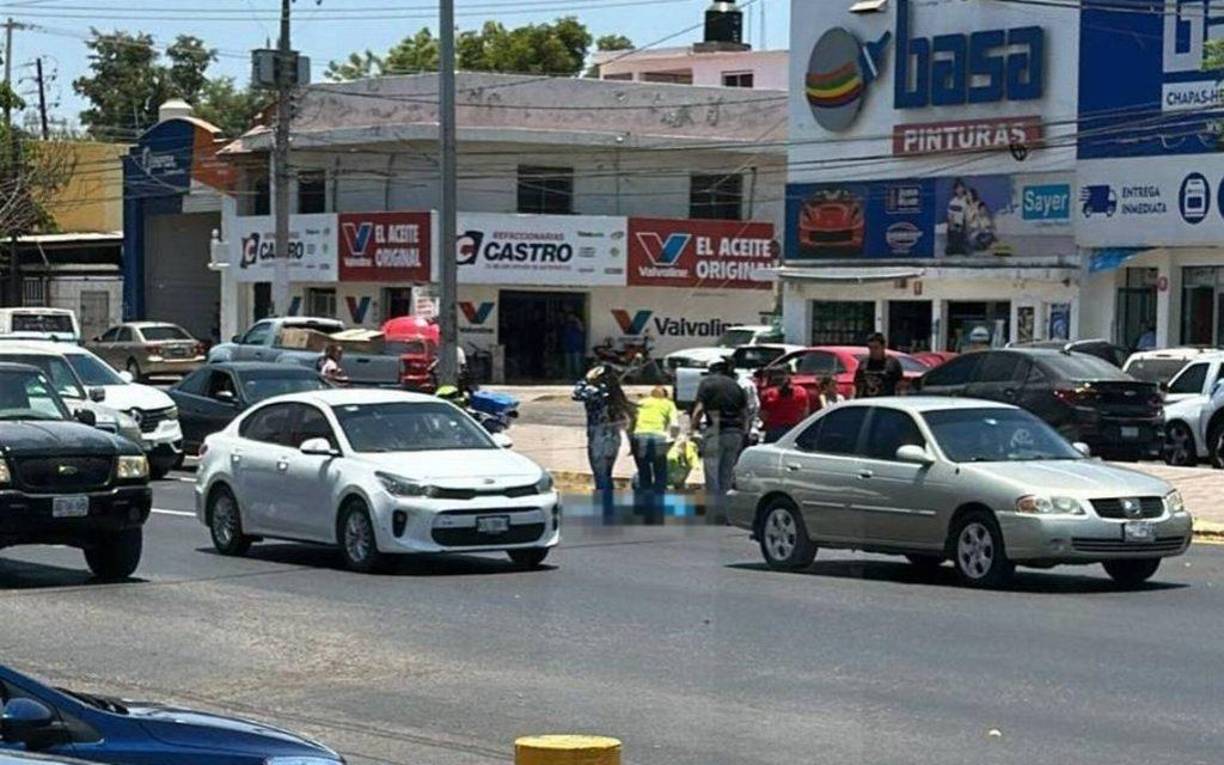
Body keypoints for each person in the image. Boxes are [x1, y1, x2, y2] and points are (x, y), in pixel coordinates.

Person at [573, 365, 635, 518]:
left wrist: (587, 378)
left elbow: (576, 393)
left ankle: (604, 506)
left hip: (598, 436)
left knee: (600, 474)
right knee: (607, 473)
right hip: (613, 436)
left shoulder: (596, 392)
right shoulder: (614, 393)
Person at [690, 358, 748, 523]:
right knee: (727, 475)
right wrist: (744, 433)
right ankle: (726, 513)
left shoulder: (707, 384)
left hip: (715, 431)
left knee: (712, 475)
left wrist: (691, 429)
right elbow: (744, 413)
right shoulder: (737, 386)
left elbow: (699, 409)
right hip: (735, 433)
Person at [631, 385, 677, 518]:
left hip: (639, 438)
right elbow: (674, 425)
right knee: (660, 473)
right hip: (658, 439)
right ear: (665, 395)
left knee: (643, 472)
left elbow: (632, 423)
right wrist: (672, 440)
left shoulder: (642, 403)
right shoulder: (668, 404)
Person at [759, 368, 809, 443]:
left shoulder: (768, 394)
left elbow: (763, 416)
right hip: (794, 431)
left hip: (774, 430)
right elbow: (805, 413)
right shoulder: (801, 392)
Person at [854, 332, 903, 398]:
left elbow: (899, 386)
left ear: (883, 347)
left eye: (876, 348)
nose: (873, 351)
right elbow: (857, 385)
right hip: (866, 401)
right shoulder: (864, 363)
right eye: (870, 348)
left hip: (885, 402)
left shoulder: (892, 363)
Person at [945, 179, 969, 255]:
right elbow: (950, 216)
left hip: (964, 225)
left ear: (963, 189)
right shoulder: (953, 202)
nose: (959, 190)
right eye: (957, 188)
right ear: (955, 190)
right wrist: (952, 226)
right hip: (955, 226)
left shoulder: (967, 200)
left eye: (961, 188)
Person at [562, 313, 586, 381]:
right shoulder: (566, 324)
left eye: (572, 316)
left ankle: (578, 377)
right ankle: (569, 376)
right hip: (568, 347)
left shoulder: (578, 324)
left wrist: (577, 321)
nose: (570, 318)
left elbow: (582, 329)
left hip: (577, 347)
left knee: (577, 364)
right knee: (568, 364)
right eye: (569, 316)